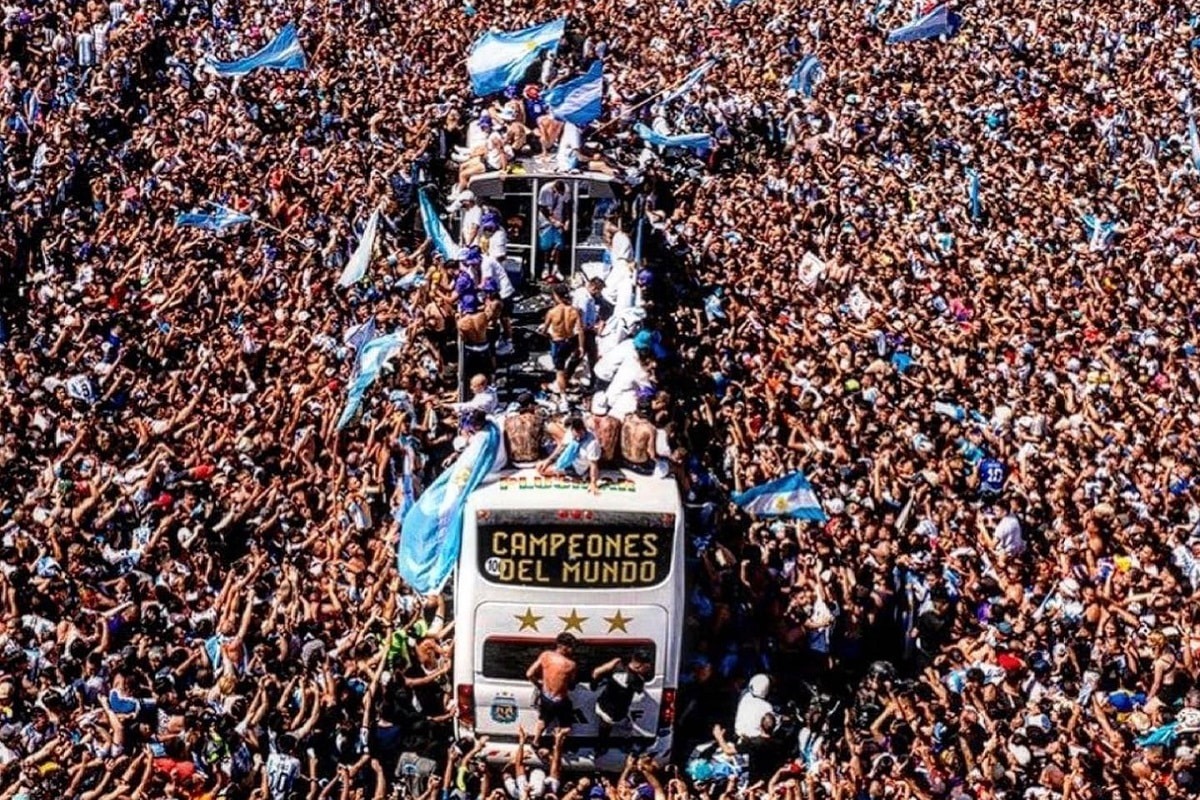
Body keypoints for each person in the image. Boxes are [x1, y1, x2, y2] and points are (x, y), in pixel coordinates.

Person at [590, 650, 653, 755]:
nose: (647, 669)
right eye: (645, 667)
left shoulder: (617, 663)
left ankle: (600, 749)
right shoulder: (636, 681)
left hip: (601, 705)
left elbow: (596, 671)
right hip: (616, 714)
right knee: (626, 728)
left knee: (604, 728)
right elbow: (640, 692)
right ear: (638, 665)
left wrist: (594, 685)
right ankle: (626, 747)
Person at [526, 633, 579, 742]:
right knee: (566, 725)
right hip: (560, 700)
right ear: (562, 646)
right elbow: (572, 685)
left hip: (545, 696)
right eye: (570, 647)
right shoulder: (570, 664)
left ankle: (536, 741)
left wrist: (539, 684)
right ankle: (559, 743)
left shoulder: (545, 655)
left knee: (543, 720)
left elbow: (529, 674)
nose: (572, 649)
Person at [538, 417, 601, 495]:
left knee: (543, 471)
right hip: (569, 458)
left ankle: (573, 475)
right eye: (574, 435)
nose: (576, 437)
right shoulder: (571, 432)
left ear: (583, 430)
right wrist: (548, 461)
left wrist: (593, 483)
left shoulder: (592, 443)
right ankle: (561, 470)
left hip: (577, 468)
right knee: (540, 465)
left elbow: (594, 464)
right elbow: (562, 448)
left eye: (579, 435)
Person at [540, 283, 584, 397]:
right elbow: (580, 330)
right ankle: (565, 383)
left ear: (556, 296)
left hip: (557, 342)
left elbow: (544, 330)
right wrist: (581, 346)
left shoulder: (552, 312)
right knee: (565, 365)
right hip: (570, 341)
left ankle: (563, 396)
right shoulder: (574, 311)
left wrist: (546, 334)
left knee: (559, 370)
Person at [503, 392, 546, 467]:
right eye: (534, 405)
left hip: (515, 462)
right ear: (530, 405)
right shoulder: (538, 420)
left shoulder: (508, 420)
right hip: (534, 461)